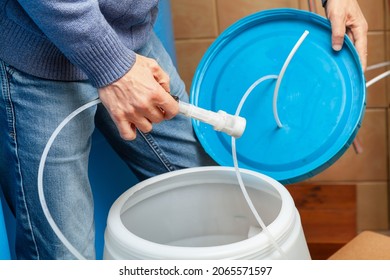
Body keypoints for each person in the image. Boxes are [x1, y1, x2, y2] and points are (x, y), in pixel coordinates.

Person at [0, 0, 368, 259]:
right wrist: (112, 66)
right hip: (37, 55)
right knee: (63, 254)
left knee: (214, 198)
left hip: (131, 38)